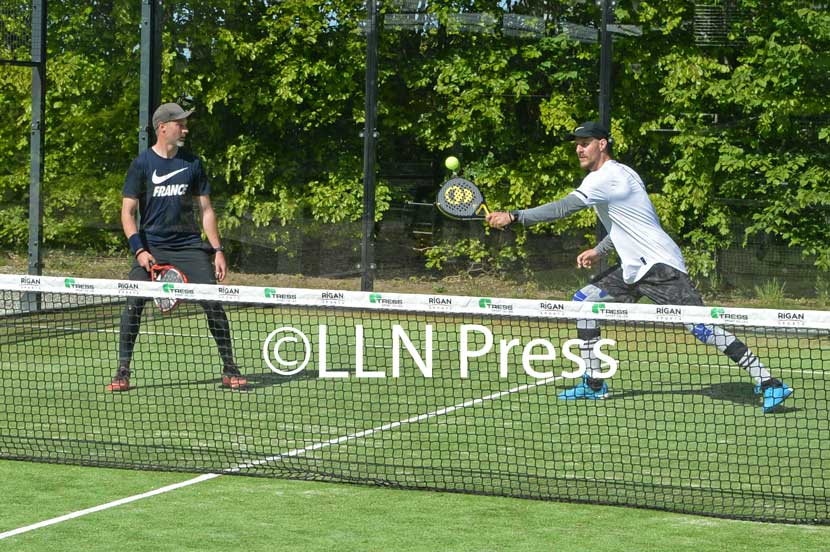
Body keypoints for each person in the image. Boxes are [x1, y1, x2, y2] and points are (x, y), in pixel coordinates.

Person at [485, 121, 792, 413]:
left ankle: (769, 382)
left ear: (602, 144)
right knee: (584, 302)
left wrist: (514, 216)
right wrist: (599, 249)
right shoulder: (621, 174)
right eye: (577, 145)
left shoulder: (607, 177)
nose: (579, 149)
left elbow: (564, 208)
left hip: (660, 267)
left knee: (702, 327)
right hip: (633, 268)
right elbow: (627, 223)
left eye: (585, 144)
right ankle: (594, 383)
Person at [107, 102, 247, 392]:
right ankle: (122, 371)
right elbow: (127, 213)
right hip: (151, 247)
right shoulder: (142, 165)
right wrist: (139, 251)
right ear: (163, 127)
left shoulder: (193, 163)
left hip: (189, 247)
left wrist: (217, 250)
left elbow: (206, 210)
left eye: (185, 123)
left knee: (213, 302)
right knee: (133, 304)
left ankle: (229, 366)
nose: (185, 128)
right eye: (180, 123)